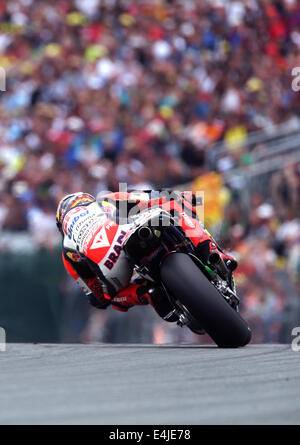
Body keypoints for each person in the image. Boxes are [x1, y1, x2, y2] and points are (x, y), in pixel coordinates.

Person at [56, 191, 237, 323]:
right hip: (134, 233)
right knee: (176, 204)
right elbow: (157, 199)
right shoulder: (107, 200)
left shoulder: (68, 252)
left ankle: (148, 294)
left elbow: (97, 298)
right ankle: (213, 253)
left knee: (110, 297)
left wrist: (129, 283)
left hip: (114, 267)